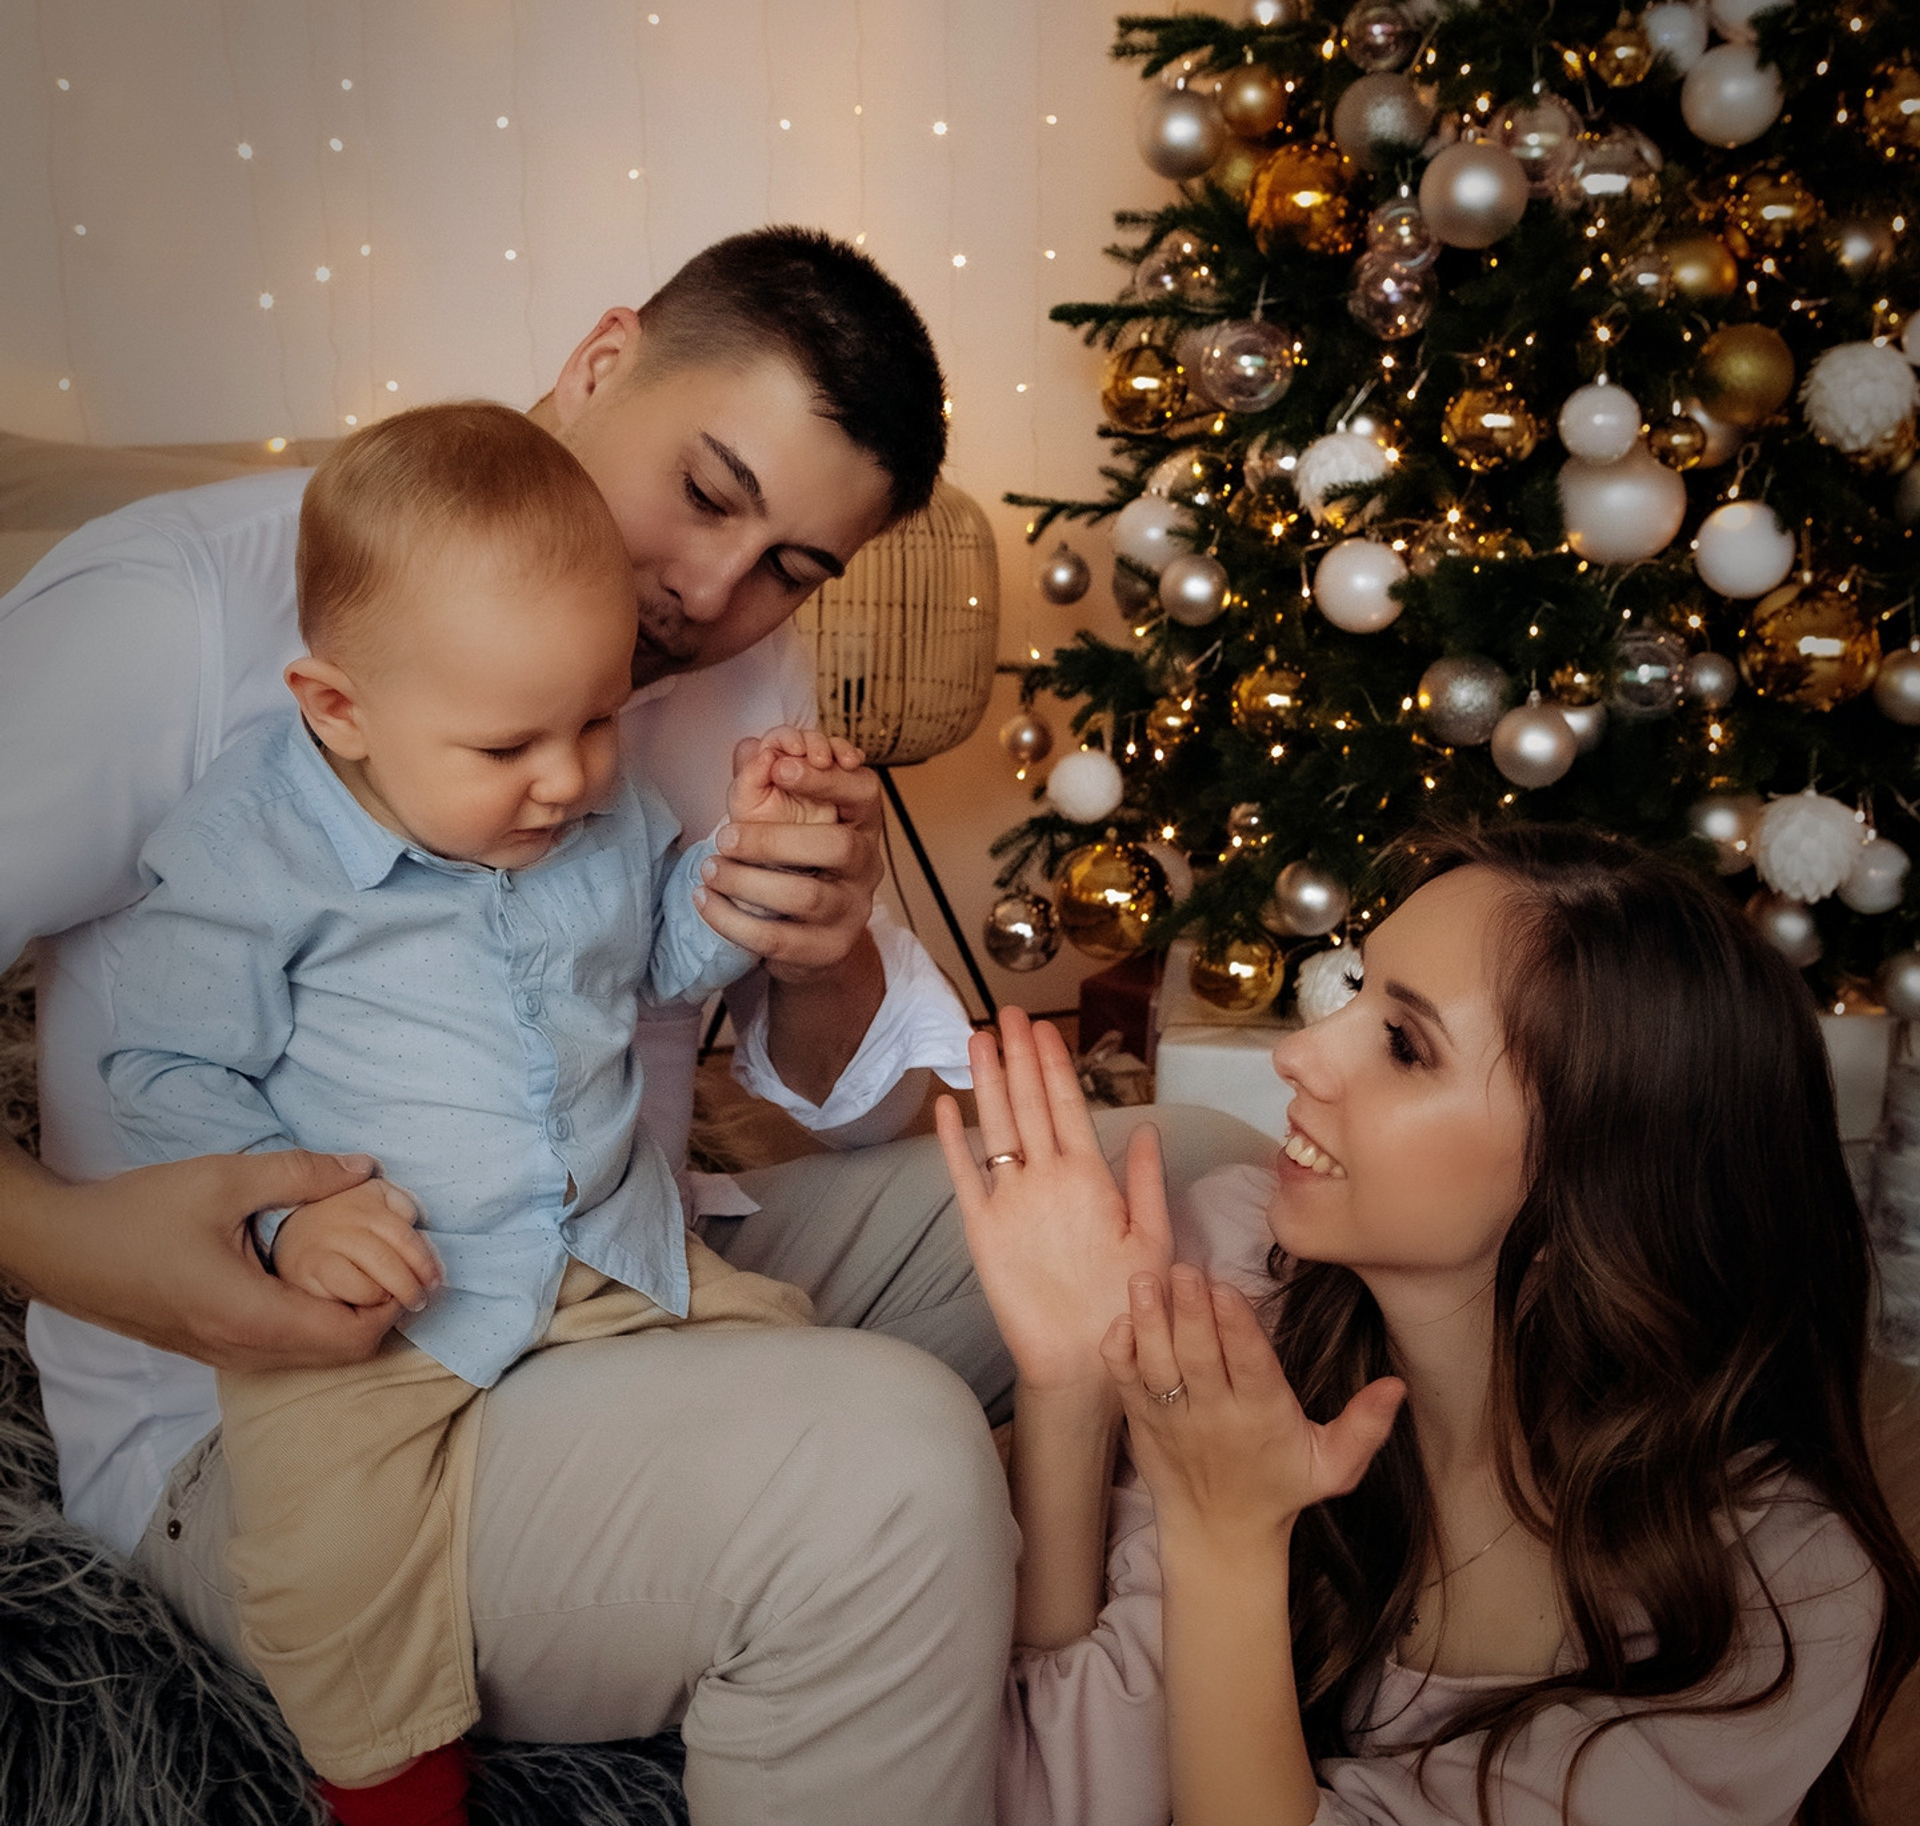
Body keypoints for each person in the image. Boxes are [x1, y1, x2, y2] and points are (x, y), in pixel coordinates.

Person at [0, 228, 1023, 1825]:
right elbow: (178, 1055)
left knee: (1185, 1188)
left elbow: (817, 1067)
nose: (710, 592)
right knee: (890, 1469)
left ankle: (1099, 1660)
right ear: (605, 358)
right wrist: (68, 1242)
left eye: (793, 570)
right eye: (705, 492)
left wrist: (810, 944)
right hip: (299, 1384)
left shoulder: (710, 682)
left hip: (611, 1260)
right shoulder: (178, 617)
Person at [102, 402, 845, 1823]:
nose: (567, 779)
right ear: (340, 710)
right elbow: (167, 1074)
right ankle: (398, 1794)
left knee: (808, 1369)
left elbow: (659, 970)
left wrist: (737, 883)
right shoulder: (246, 845)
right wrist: (289, 1217)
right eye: (510, 746)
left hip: (607, 1257)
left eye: (595, 719)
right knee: (323, 1560)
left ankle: (767, 1657)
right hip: (378, 1313)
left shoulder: (594, 813)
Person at [943, 826, 1920, 1826]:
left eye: (1404, 1045)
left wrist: (1229, 1540)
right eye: (1358, 991)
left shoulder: (1776, 1592)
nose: (1297, 1054)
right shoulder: (1240, 1276)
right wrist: (1069, 1383)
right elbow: (1048, 1796)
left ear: (1599, 1184)